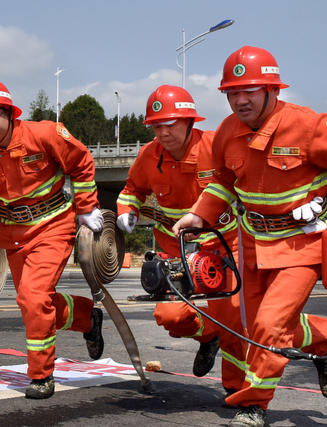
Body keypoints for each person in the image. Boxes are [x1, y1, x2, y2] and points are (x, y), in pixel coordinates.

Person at [173, 46, 327, 427]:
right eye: (233, 92)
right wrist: (198, 214)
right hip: (251, 243)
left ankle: (254, 404)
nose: (240, 100)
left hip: (302, 244)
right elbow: (223, 184)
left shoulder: (311, 126)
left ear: (273, 90)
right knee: (253, 327)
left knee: (268, 326)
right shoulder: (227, 132)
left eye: (250, 91)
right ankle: (325, 340)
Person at [0, 78, 105, 399]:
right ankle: (87, 318)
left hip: (54, 225)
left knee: (33, 296)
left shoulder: (44, 134)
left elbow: (80, 164)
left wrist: (87, 207)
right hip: (13, 235)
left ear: (9, 112)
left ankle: (41, 375)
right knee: (33, 301)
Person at [116, 85, 247, 397]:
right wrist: (126, 211)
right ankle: (207, 336)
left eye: (171, 124)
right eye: (157, 126)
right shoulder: (149, 156)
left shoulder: (216, 146)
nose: (163, 132)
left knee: (233, 320)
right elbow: (131, 188)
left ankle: (236, 388)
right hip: (174, 251)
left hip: (223, 245)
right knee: (171, 316)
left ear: (190, 122)